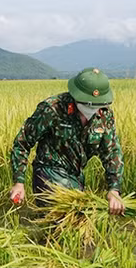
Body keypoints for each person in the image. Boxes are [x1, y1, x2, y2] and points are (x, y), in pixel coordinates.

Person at [9, 68, 126, 215]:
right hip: (48, 172)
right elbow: (22, 142)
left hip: (75, 177)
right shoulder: (53, 109)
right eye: (88, 105)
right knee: (62, 223)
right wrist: (19, 182)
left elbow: (112, 152)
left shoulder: (104, 115)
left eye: (97, 105)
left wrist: (114, 189)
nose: (93, 110)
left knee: (80, 225)